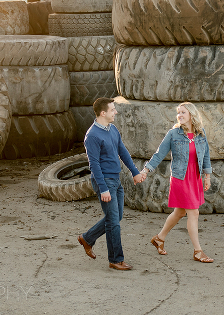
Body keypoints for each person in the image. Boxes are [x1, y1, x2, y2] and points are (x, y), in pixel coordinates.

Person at [140, 102, 214, 263]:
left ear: (191, 115)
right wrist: (146, 170)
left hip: (194, 177)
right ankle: (198, 251)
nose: (179, 115)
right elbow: (159, 154)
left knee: (180, 212)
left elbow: (206, 155)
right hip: (181, 178)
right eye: (178, 112)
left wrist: (207, 176)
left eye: (183, 112)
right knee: (193, 213)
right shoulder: (173, 134)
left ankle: (159, 238)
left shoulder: (201, 133)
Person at [78, 97, 145, 271]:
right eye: (113, 109)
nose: (116, 112)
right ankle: (116, 259)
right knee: (114, 222)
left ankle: (87, 238)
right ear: (103, 113)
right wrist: (103, 189)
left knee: (116, 217)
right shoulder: (92, 136)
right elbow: (94, 165)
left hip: (116, 179)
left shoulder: (112, 129)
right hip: (105, 181)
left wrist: (135, 172)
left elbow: (122, 151)